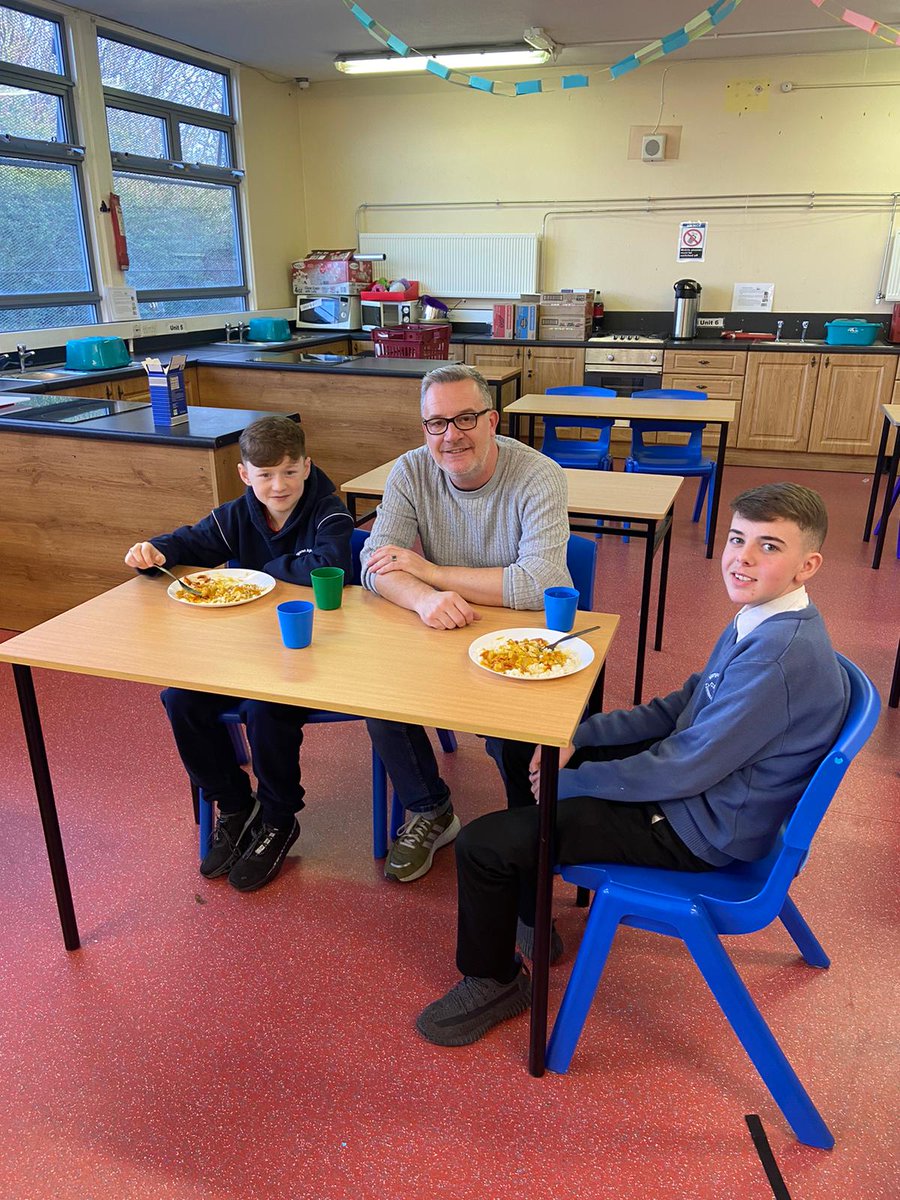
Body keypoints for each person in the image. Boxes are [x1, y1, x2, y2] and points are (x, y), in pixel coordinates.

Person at [416, 482, 851, 1046]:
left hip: (698, 829)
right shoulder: (767, 617)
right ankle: (532, 893)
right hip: (706, 792)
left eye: (769, 547)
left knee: (483, 845)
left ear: (806, 565)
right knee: (525, 747)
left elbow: (684, 767)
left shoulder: (778, 659)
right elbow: (682, 708)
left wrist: (574, 781)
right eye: (737, 538)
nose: (742, 558)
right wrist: (580, 736)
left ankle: (497, 979)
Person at [359, 362, 572, 884]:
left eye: (466, 418)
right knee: (380, 696)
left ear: (493, 420)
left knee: (515, 741)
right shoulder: (410, 470)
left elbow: (539, 583)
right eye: (437, 422)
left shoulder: (538, 474)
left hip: (522, 639)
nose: (451, 435)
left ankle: (528, 840)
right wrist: (423, 601)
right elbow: (374, 563)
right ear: (425, 428)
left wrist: (430, 573)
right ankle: (430, 809)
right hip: (447, 628)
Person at [124, 415, 353, 892]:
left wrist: (265, 572)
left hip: (311, 652)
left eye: (290, 471)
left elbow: (330, 562)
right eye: (265, 474)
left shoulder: (327, 510)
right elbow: (190, 542)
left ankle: (278, 817)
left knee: (264, 709)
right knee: (180, 699)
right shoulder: (236, 514)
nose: (279, 484)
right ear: (245, 475)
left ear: (307, 467)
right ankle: (233, 802)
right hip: (243, 652)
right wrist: (154, 552)